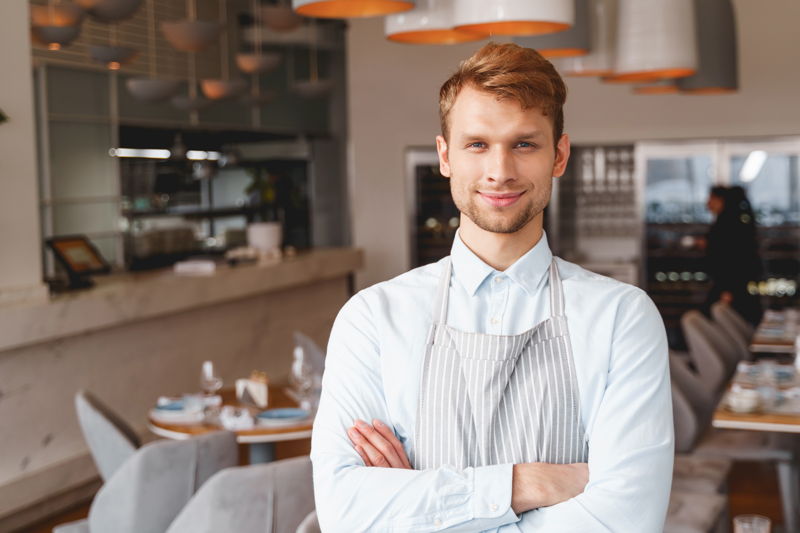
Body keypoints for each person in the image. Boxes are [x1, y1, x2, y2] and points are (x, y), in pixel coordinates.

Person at [311, 43, 673, 532]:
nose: (499, 171)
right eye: (477, 144)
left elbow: (625, 521)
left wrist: (422, 506)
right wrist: (526, 484)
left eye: (524, 144)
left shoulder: (623, 317)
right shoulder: (372, 319)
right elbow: (346, 515)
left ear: (559, 155)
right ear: (445, 156)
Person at [703, 185, 763, 325]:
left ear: (721, 200)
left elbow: (732, 259)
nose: (707, 203)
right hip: (735, 284)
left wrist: (728, 289)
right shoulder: (738, 220)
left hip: (729, 285)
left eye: (711, 198)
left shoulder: (727, 224)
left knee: (723, 320)